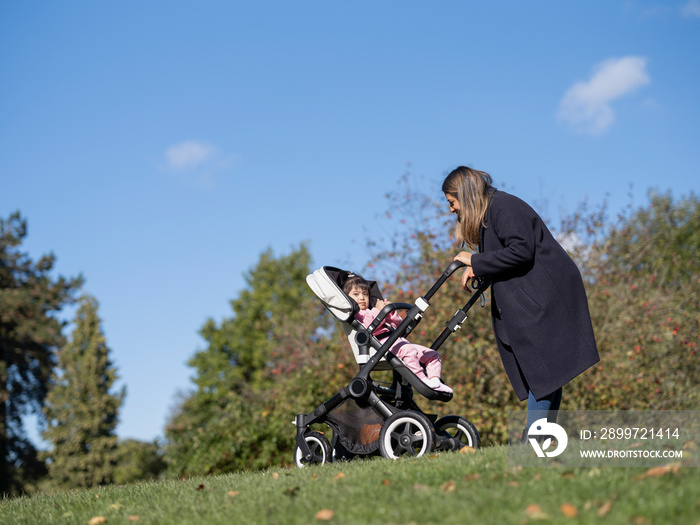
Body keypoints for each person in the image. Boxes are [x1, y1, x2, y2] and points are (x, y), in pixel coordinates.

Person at [442, 166, 599, 437]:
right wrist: (479, 267)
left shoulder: (503, 207)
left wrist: (476, 260)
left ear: (464, 196)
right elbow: (507, 256)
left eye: (452, 203)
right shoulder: (490, 213)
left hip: (545, 295)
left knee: (542, 368)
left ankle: (533, 436)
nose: (451, 210)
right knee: (545, 369)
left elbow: (521, 251)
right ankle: (543, 435)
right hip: (534, 296)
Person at [342, 274, 453, 393]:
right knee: (408, 351)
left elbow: (396, 324)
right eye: (356, 294)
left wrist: (390, 312)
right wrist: (379, 311)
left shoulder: (371, 310)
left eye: (365, 294)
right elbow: (370, 324)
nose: (362, 298)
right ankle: (422, 380)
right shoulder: (358, 315)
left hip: (397, 342)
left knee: (432, 354)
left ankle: (435, 381)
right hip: (381, 347)